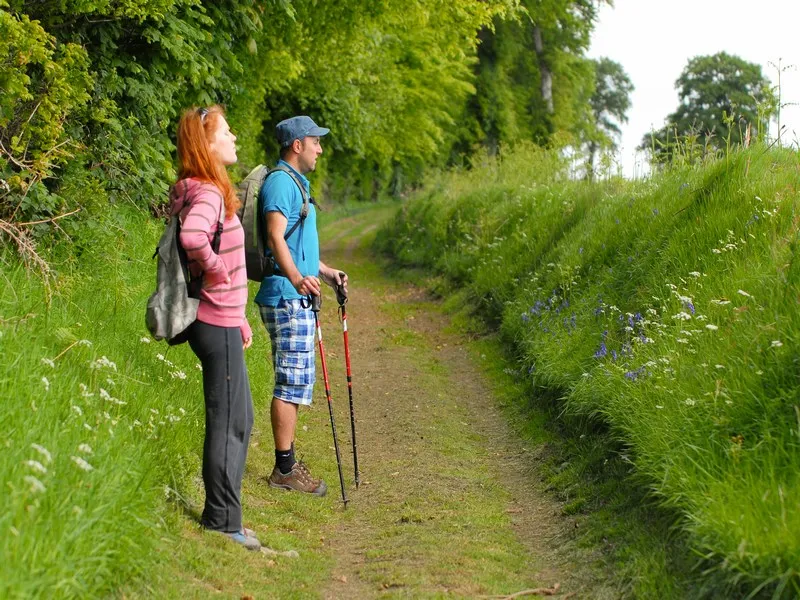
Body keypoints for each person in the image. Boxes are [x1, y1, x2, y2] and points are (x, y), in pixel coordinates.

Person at [172, 105, 260, 550]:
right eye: (226, 131)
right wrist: (216, 275)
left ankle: (227, 515)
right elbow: (193, 239)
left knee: (239, 417)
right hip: (213, 321)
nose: (234, 136)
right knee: (227, 423)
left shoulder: (206, 188)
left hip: (225, 320)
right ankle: (223, 522)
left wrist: (241, 314)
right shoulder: (207, 192)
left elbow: (224, 251)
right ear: (207, 145)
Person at [255, 115, 348, 496]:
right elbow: (276, 237)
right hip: (287, 296)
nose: (320, 149)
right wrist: (296, 279)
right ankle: (284, 469)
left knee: (296, 380)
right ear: (297, 145)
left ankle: (288, 463)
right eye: (315, 142)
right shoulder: (281, 184)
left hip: (297, 293)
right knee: (290, 381)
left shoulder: (296, 184)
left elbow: (295, 243)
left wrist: (322, 271)